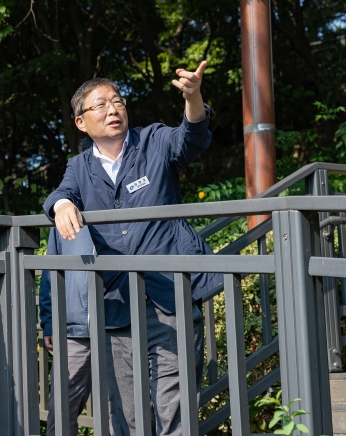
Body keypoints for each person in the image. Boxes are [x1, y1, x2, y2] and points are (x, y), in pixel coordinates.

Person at [42, 62, 222, 436]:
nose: (113, 109)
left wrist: (193, 97)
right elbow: (61, 194)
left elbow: (190, 136)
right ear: (81, 122)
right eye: (101, 105)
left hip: (169, 292)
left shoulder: (153, 141)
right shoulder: (79, 166)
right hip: (117, 303)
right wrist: (61, 205)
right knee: (126, 409)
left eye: (118, 101)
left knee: (175, 404)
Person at [39, 226, 96, 436]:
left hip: (119, 328)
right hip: (73, 330)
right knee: (61, 413)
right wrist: (50, 320)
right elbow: (50, 272)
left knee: (122, 412)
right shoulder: (65, 213)